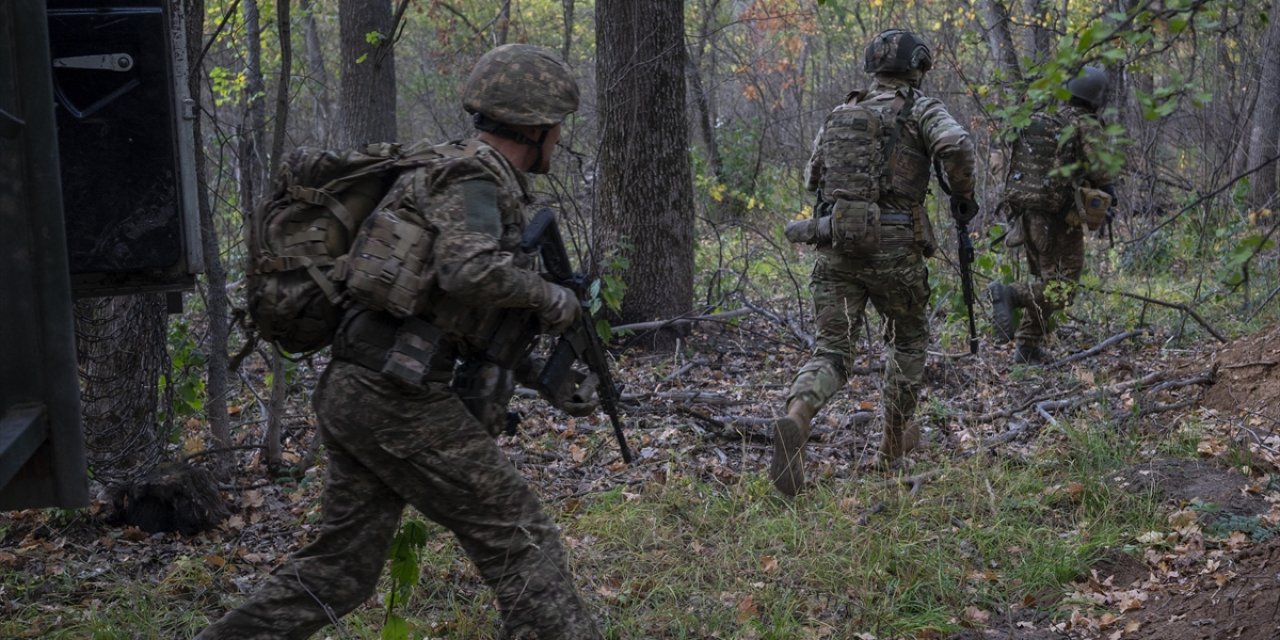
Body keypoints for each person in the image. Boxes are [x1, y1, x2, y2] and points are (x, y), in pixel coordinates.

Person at [197, 44, 602, 640]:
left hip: (365, 387)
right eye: (558, 127)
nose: (560, 138)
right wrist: (552, 298)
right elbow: (471, 272)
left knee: (341, 569)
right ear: (537, 125)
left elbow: (458, 304)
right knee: (518, 535)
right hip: (396, 395)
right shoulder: (471, 174)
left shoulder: (459, 170)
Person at [773, 29, 977, 496]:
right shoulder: (921, 108)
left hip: (836, 247)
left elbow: (813, 178)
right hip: (894, 250)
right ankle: (891, 446)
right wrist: (962, 194)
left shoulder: (843, 113)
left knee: (831, 353)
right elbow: (958, 146)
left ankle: (797, 418)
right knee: (907, 341)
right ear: (918, 66)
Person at [987, 66, 1120, 365]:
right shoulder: (1084, 124)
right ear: (1096, 98)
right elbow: (1100, 168)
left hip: (1028, 215)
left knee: (1049, 281)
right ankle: (1010, 294)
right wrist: (1109, 188)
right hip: (1059, 219)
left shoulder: (1050, 119)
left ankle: (1028, 347)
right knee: (1062, 290)